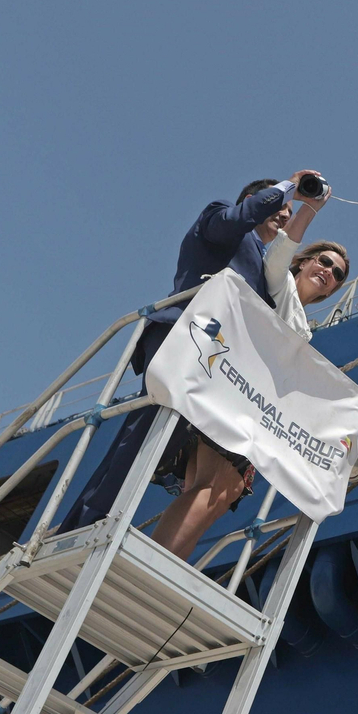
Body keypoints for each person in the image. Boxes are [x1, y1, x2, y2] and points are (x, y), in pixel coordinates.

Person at [58, 171, 322, 533]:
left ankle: (92, 521)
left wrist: (308, 210)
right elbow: (234, 219)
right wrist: (287, 187)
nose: (283, 213)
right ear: (252, 200)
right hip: (184, 336)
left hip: (215, 362)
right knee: (143, 436)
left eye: (289, 210)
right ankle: (88, 522)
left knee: (148, 440)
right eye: (278, 205)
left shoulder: (266, 271)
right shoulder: (221, 218)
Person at [149, 185, 350, 558]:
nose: (328, 272)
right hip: (234, 392)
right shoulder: (279, 282)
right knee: (214, 484)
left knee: (223, 493)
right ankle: (148, 565)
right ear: (304, 261)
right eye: (323, 261)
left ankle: (164, 559)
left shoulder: (304, 328)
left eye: (337, 273)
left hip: (253, 408)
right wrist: (310, 208)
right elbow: (282, 247)